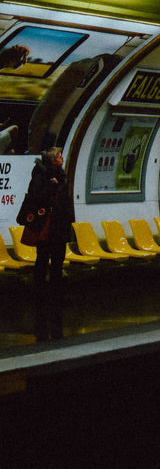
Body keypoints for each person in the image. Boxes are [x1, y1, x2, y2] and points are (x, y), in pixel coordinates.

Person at [20, 146, 74, 341]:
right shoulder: (40, 175)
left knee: (58, 261)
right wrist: (51, 186)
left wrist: (70, 219)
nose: (62, 158)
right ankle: (40, 295)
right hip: (45, 225)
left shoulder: (61, 175)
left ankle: (56, 295)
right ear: (52, 160)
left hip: (59, 225)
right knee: (42, 260)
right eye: (59, 156)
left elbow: (65, 199)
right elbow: (36, 195)